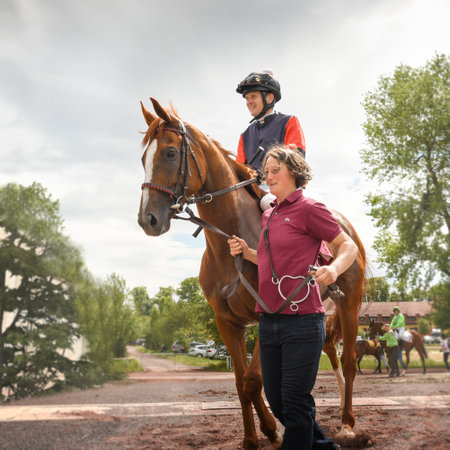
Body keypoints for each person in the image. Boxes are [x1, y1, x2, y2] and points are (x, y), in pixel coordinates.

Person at [227, 145, 357, 449]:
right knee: (280, 403)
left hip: (303, 320)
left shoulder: (311, 208)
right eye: (266, 172)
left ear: (294, 173)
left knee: (295, 402)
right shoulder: (270, 214)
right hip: (269, 321)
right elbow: (273, 261)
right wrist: (246, 252)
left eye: (275, 171)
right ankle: (326, 447)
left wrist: (334, 269)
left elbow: (346, 245)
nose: (267, 177)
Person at [235, 70, 306, 210]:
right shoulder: (245, 135)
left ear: (269, 98)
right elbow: (238, 169)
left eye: (253, 97)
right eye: (247, 98)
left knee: (267, 202)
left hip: (280, 188)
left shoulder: (289, 121)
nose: (249, 102)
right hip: (252, 191)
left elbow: (296, 157)